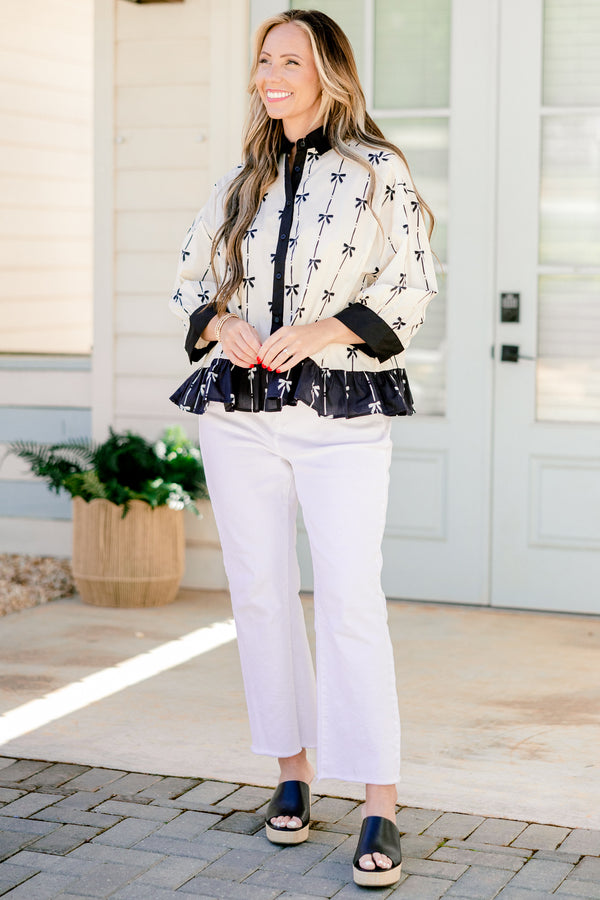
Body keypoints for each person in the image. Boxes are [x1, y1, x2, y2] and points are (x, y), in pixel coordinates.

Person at [169, 9, 437, 888]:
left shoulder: (375, 172)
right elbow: (189, 278)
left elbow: (411, 284)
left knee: (351, 596)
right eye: (263, 59)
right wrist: (226, 321)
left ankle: (379, 802)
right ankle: (291, 772)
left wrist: (322, 327)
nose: (271, 74)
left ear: (330, 72)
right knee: (260, 592)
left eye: (291, 59)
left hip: (338, 419)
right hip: (240, 414)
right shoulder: (242, 179)